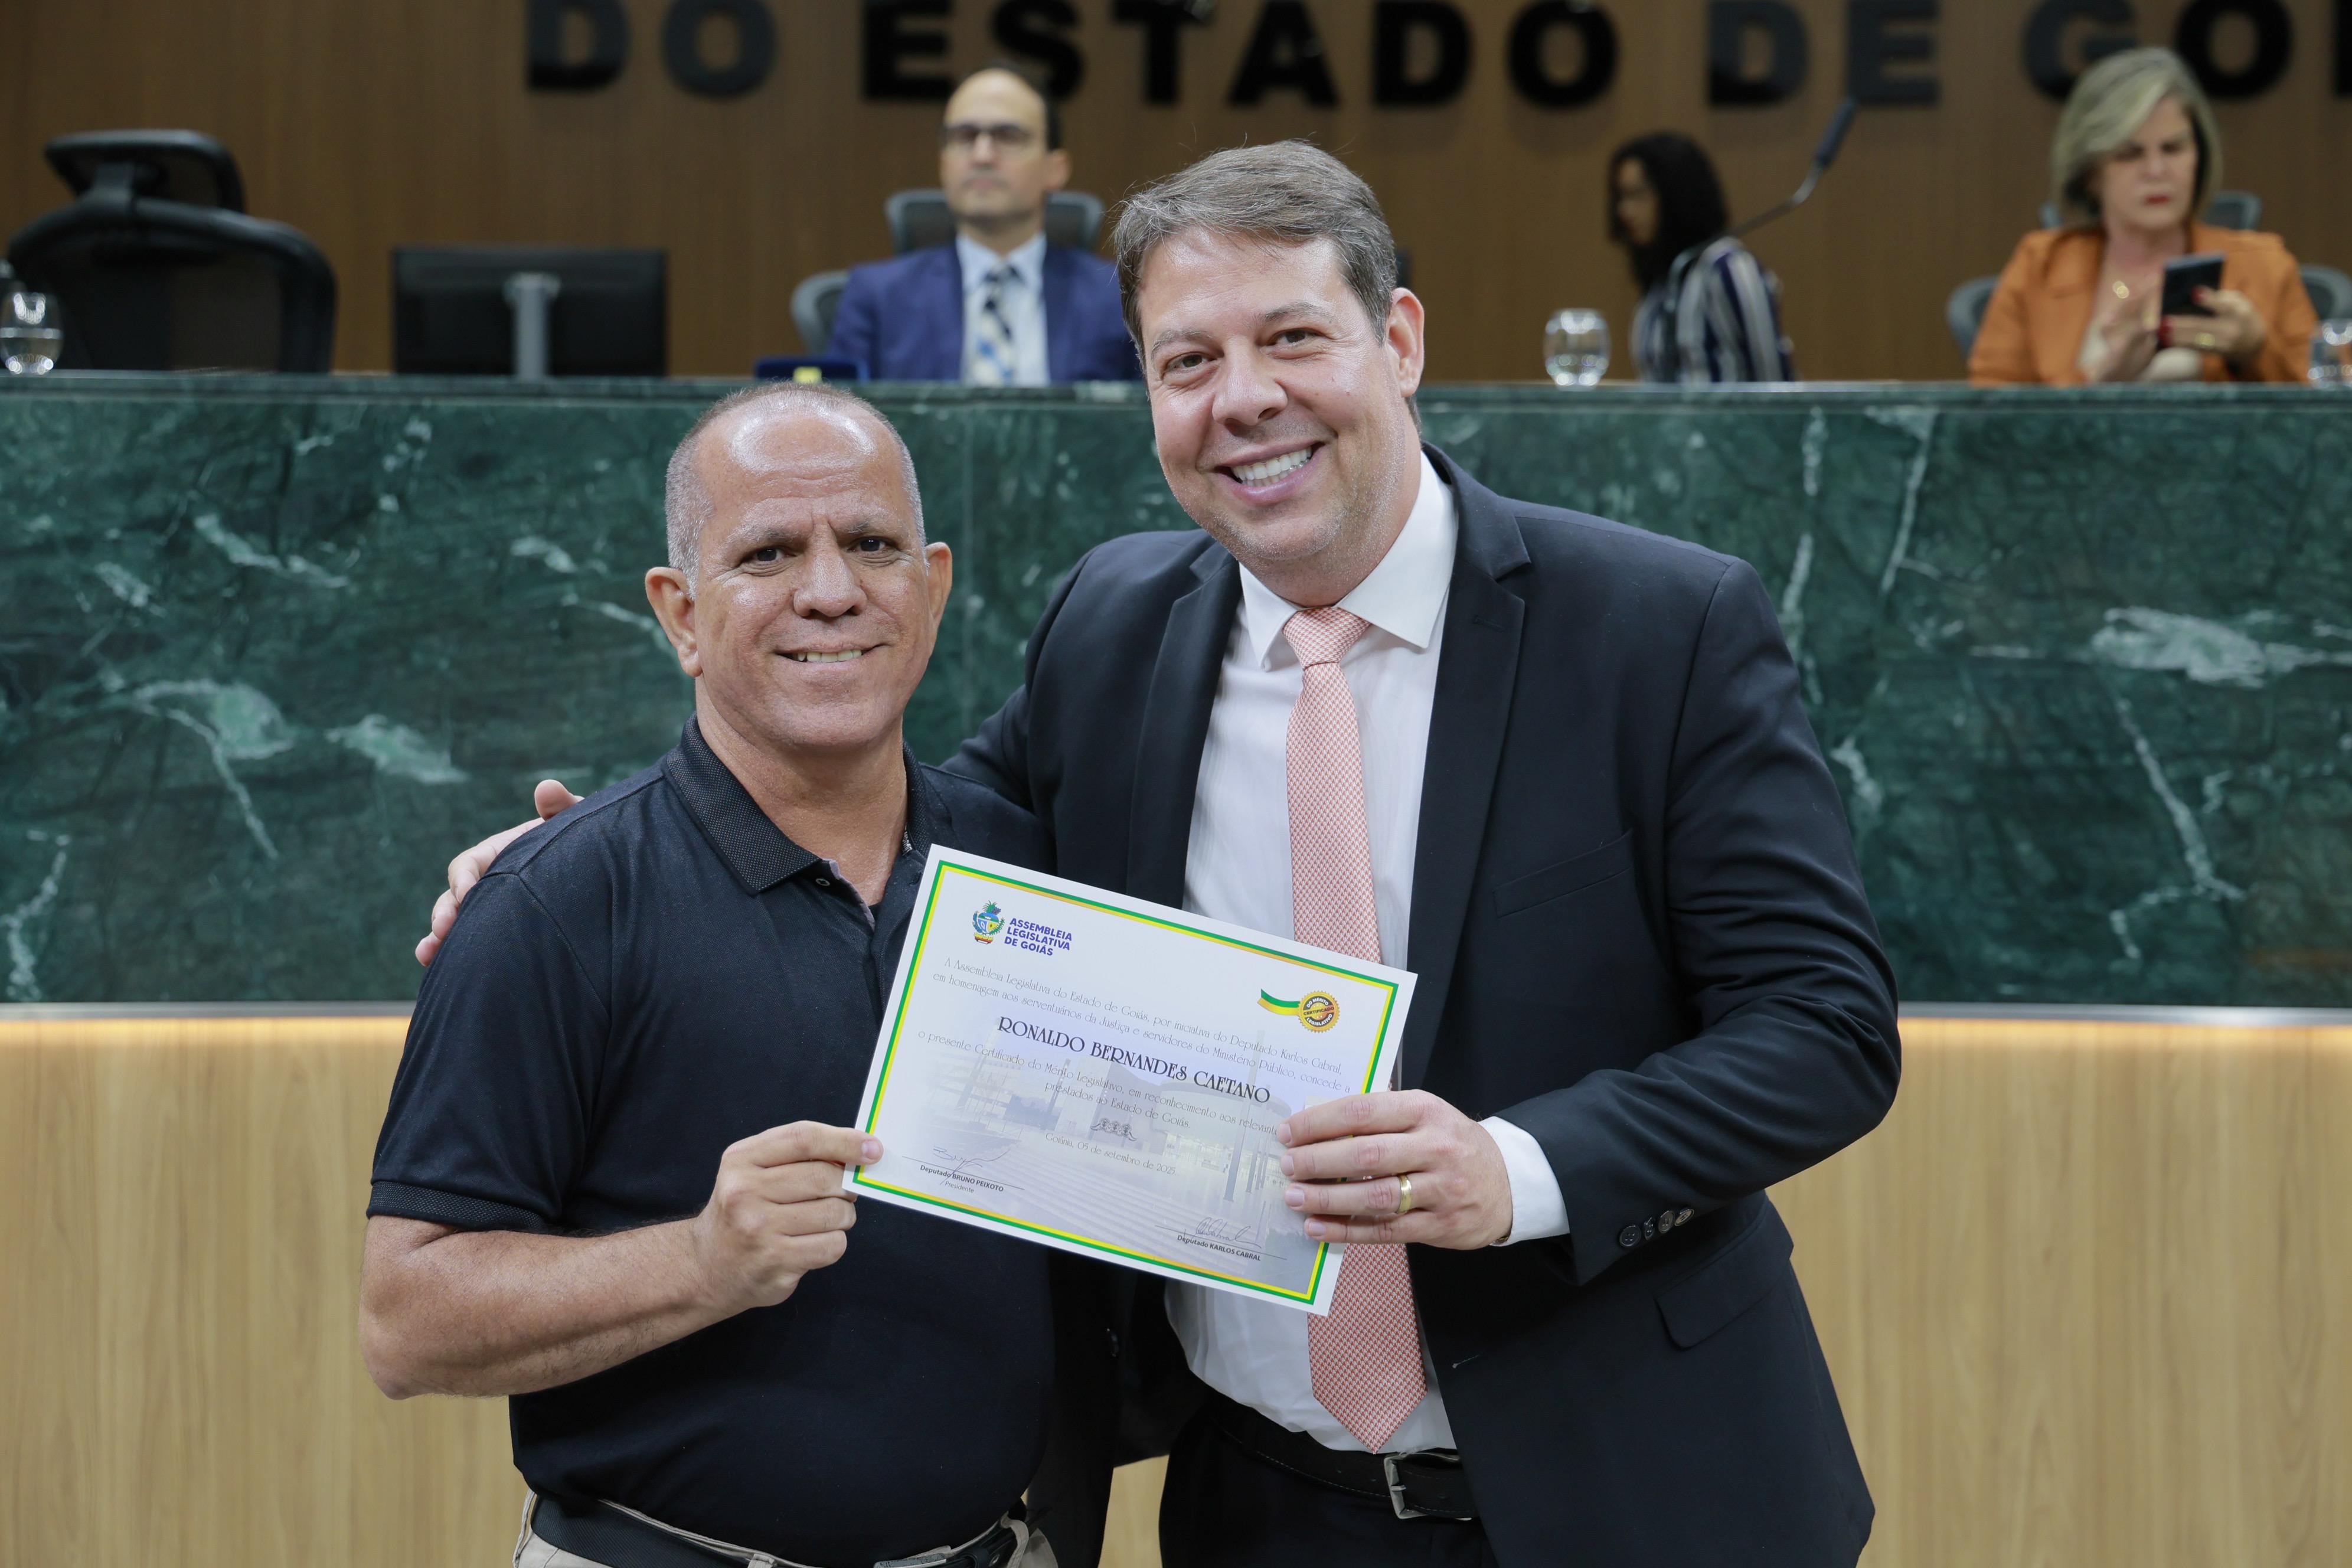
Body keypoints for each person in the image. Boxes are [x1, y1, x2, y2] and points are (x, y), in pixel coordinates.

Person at [426, 143, 1899, 1567]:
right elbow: (914, 827)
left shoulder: (1660, 628)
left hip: (1639, 1489)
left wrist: (1516, 1168)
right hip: (1263, 1501)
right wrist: (596, 851)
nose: (1243, 399)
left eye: (1292, 337)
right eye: (1187, 361)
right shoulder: (1115, 627)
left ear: (1398, 339)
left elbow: (1826, 1026)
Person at [363, 383, 1066, 1568]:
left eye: (873, 544)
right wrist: (698, 1260)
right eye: (768, 552)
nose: (831, 589)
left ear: (934, 587)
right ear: (680, 612)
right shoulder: (555, 904)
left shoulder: (1031, 874)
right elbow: (404, 1319)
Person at [1971, 47, 2317, 385]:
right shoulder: (2039, 267)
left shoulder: (2267, 267)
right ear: (2092, 174)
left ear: (2199, 156)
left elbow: (2326, 409)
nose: (2156, 170)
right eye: (2130, 154)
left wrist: (2254, 352)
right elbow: (1989, 414)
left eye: (2173, 149)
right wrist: (2100, 380)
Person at [827, 64, 1138, 384]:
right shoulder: (877, 298)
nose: (982, 155)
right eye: (964, 137)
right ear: (943, 164)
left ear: (1055, 168)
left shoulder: (1118, 298)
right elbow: (839, 413)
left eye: (1008, 136)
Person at [1608, 132, 1795, 383]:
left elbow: (1774, 383)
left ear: (1675, 194)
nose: (1624, 211)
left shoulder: (1729, 268)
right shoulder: (1661, 284)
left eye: (1637, 194)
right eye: (1621, 197)